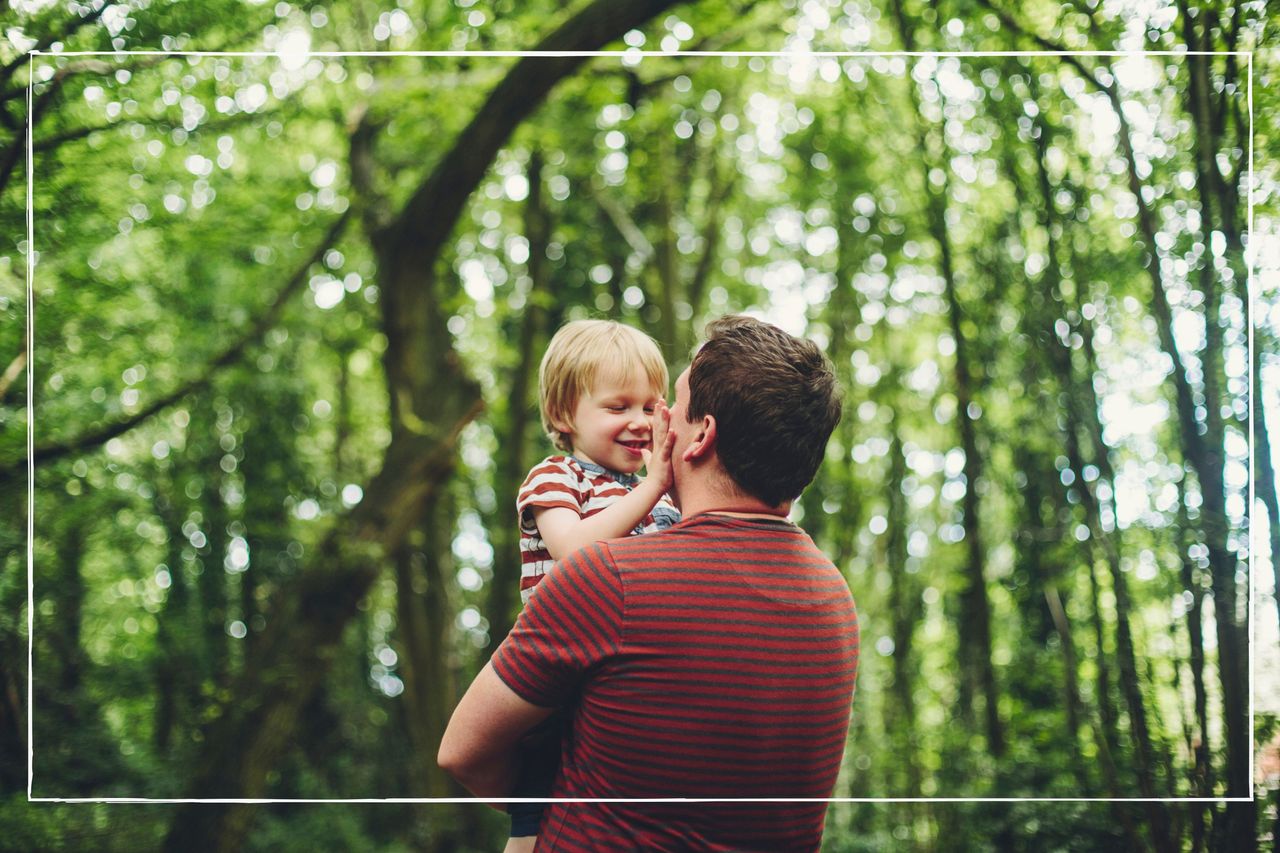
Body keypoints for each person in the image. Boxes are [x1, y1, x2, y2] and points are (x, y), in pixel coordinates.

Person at [440, 315, 857, 852]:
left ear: (700, 435)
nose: (650, 423)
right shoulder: (832, 598)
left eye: (668, 407)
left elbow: (462, 753)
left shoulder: (613, 578)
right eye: (623, 407)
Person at [506, 318, 681, 851]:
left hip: (630, 669)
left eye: (652, 407)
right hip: (563, 668)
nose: (640, 421)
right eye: (617, 407)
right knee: (533, 817)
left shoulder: (663, 495)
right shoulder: (557, 478)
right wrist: (653, 487)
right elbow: (577, 553)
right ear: (564, 414)